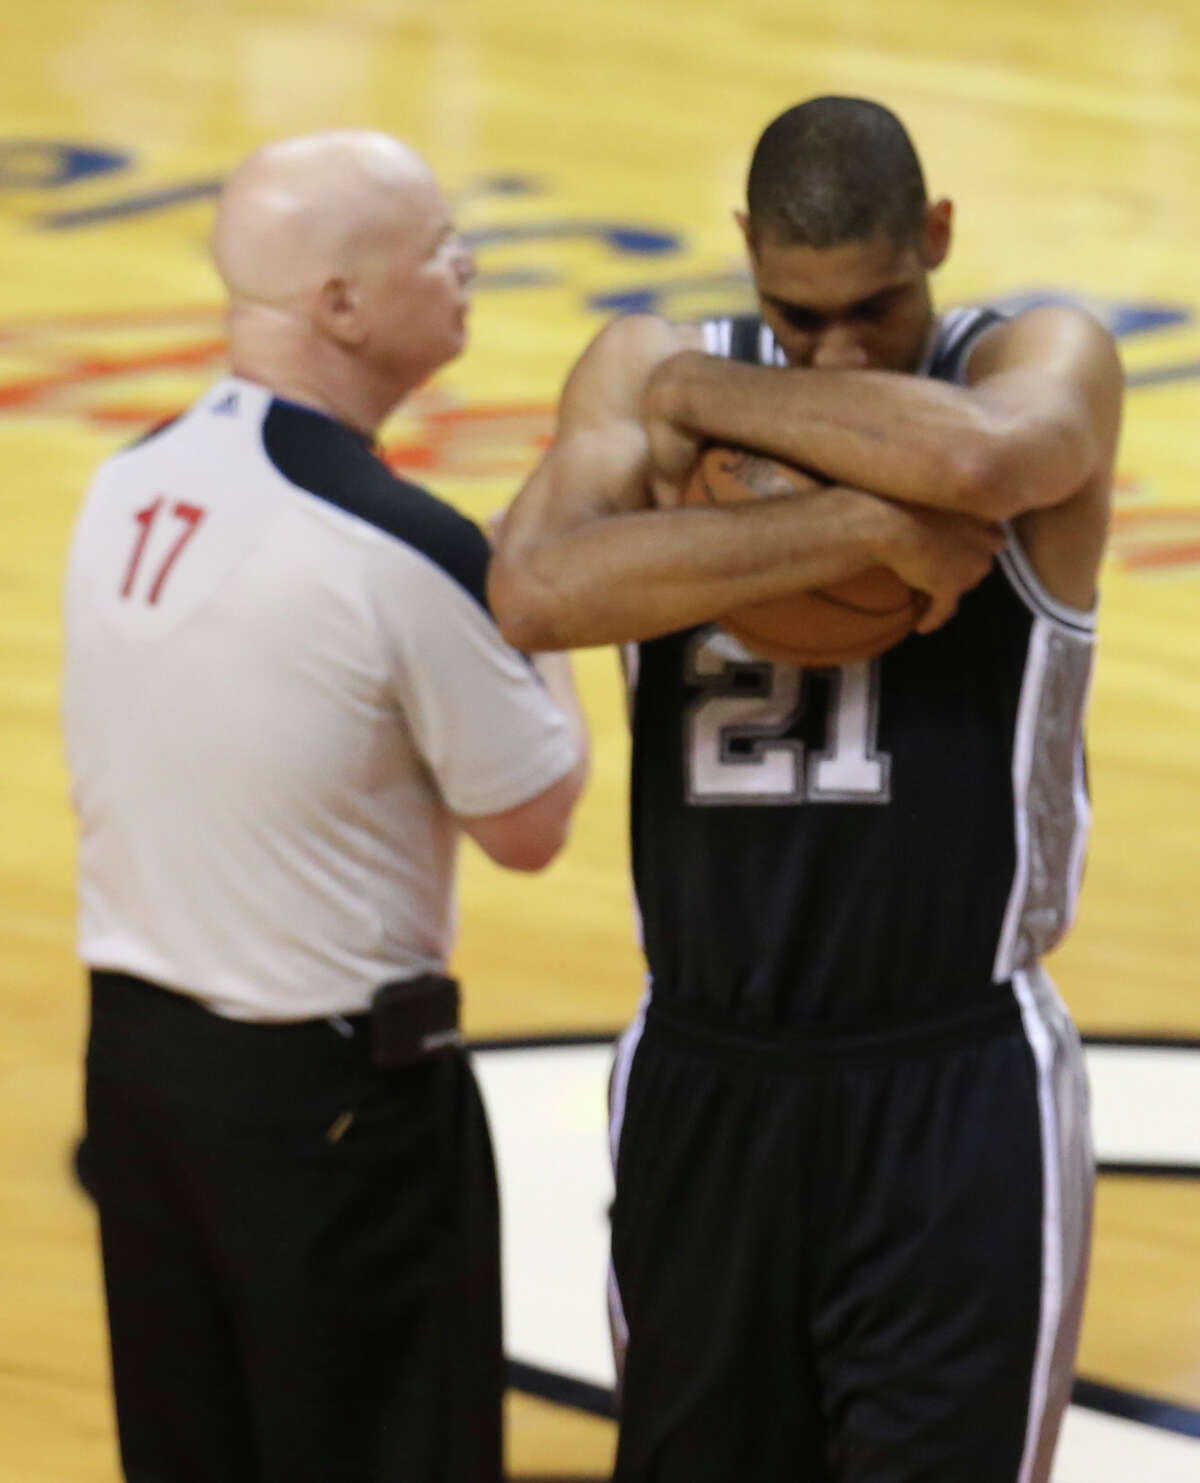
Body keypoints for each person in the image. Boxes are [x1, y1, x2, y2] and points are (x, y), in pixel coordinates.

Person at [490, 96, 1121, 1483]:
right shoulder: (650, 361)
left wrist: (712, 406)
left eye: (877, 312)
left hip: (952, 1075)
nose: (835, 350)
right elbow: (534, 590)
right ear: (742, 257)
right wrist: (852, 524)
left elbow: (977, 462)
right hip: (710, 1066)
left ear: (938, 237)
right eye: (794, 316)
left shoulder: (1036, 355)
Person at [63, 130, 587, 1483]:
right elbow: (532, 824)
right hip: (333, 1123)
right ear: (343, 306)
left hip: (138, 1087)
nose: (469, 262)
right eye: (437, 245)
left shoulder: (122, 486)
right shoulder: (400, 544)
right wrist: (555, 599)